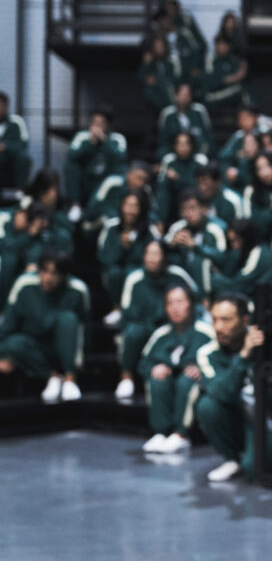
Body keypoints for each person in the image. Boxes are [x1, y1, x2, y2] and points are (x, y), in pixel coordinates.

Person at [195, 293, 272, 482]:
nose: (218, 327)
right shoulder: (207, 353)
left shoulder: (268, 343)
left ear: (245, 321)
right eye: (214, 320)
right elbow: (222, 393)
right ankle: (232, 459)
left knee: (253, 470)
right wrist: (244, 354)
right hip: (242, 419)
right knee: (208, 406)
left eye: (226, 320)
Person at [0, 250, 90, 403]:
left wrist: (78, 363)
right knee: (14, 343)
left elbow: (84, 330)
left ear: (64, 275)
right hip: (34, 349)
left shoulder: (78, 290)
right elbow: (8, 325)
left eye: (54, 274)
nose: (48, 278)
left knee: (68, 318)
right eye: (44, 271)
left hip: (62, 348)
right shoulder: (24, 285)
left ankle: (70, 379)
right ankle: (53, 377)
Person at [115, 240, 198, 400]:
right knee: (133, 332)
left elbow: (195, 297)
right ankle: (127, 376)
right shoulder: (134, 279)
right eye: (148, 254)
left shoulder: (177, 274)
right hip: (145, 326)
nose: (152, 258)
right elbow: (127, 313)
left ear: (165, 257)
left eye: (156, 254)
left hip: (173, 327)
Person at [139, 284, 216, 454]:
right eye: (170, 303)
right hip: (169, 384)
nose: (175, 308)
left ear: (191, 304)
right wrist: (155, 367)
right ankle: (161, 432)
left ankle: (181, 434)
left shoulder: (205, 332)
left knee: (187, 379)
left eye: (180, 302)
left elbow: (217, 360)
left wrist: (201, 369)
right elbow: (144, 362)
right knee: (158, 378)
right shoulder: (161, 334)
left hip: (197, 386)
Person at [96, 190, 162, 327]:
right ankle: (117, 309)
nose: (130, 211)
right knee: (115, 273)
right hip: (115, 273)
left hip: (140, 271)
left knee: (133, 274)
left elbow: (153, 256)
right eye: (127, 205)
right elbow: (103, 257)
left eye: (135, 206)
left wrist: (133, 248)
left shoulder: (149, 230)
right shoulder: (111, 226)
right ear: (121, 207)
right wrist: (121, 247)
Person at [63, 110, 127, 223]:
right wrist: (90, 143)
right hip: (85, 180)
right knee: (71, 166)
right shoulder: (83, 136)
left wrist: (104, 141)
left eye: (101, 123)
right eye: (94, 122)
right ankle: (75, 205)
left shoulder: (117, 139)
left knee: (121, 171)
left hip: (104, 180)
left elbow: (120, 159)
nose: (97, 126)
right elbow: (72, 156)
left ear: (108, 125)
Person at [164, 190, 228, 299]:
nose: (188, 214)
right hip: (186, 274)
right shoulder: (178, 227)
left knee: (201, 262)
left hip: (212, 277)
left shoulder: (216, 228)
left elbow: (223, 258)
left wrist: (195, 246)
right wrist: (171, 245)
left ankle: (205, 300)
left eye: (192, 208)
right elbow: (160, 248)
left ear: (204, 209)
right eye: (184, 209)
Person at [210, 218, 272, 300]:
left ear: (247, 238)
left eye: (237, 240)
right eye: (231, 241)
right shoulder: (251, 252)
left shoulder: (258, 254)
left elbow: (237, 287)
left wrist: (210, 279)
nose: (234, 245)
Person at [83, 161, 153, 234]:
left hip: (128, 227)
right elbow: (95, 209)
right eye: (139, 178)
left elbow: (151, 210)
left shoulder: (145, 189)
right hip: (96, 224)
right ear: (129, 174)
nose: (141, 183)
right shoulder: (113, 183)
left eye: (145, 180)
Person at [156, 132, 209, 226]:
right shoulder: (169, 160)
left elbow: (201, 186)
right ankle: (160, 223)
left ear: (192, 145)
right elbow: (161, 186)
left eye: (186, 144)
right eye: (179, 144)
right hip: (174, 199)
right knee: (163, 195)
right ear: (174, 146)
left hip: (194, 198)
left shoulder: (200, 160)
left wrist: (178, 179)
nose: (183, 148)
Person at [157, 83, 214, 157]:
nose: (184, 97)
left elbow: (208, 137)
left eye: (187, 94)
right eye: (182, 94)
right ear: (176, 96)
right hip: (173, 156)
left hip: (197, 155)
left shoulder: (199, 111)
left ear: (191, 96)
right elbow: (163, 142)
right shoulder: (167, 114)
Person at [217, 106, 262, 189]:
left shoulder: (263, 134)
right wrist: (229, 169)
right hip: (241, 178)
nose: (242, 121)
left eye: (246, 117)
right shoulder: (238, 136)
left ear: (255, 118)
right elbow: (224, 156)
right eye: (240, 118)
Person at [203, 34, 250, 113]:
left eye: (224, 45)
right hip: (212, 97)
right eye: (219, 44)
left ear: (229, 46)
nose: (222, 47)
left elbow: (241, 81)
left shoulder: (233, 62)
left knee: (244, 90)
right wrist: (236, 77)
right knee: (238, 90)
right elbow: (213, 82)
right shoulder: (211, 61)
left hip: (231, 98)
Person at [139, 34, 179, 113]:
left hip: (169, 91)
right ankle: (163, 109)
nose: (159, 49)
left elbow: (173, 78)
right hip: (156, 96)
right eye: (157, 46)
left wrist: (157, 80)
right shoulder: (150, 64)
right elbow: (141, 78)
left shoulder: (170, 63)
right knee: (149, 90)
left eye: (161, 46)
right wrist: (146, 64)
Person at [0, 90, 32, 191]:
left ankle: (19, 192)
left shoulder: (16, 121)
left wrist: (6, 147)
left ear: (6, 107)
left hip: (10, 159)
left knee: (24, 157)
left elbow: (23, 144)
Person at [196, 162, 243, 227]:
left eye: (205, 183)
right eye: (199, 183)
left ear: (217, 182)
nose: (201, 188)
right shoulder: (197, 199)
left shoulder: (232, 200)